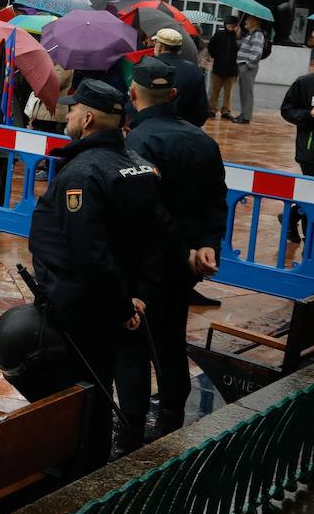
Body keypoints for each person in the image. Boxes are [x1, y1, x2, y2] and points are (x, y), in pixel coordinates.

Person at [27, 79, 166, 472]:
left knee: (85, 388)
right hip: (119, 299)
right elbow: (156, 239)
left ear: (87, 118)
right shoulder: (139, 166)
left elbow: (89, 251)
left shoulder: (83, 174)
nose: (67, 115)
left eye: (72, 110)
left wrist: (123, 303)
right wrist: (139, 296)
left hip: (85, 306)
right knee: (109, 376)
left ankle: (79, 466)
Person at [116, 58, 225, 454]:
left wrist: (182, 251)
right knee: (171, 339)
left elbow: (147, 212)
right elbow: (216, 200)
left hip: (151, 264)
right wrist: (206, 245)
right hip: (187, 265)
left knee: (136, 347)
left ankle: (132, 428)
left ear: (132, 95)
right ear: (174, 95)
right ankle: (172, 416)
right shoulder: (202, 139)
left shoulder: (136, 143)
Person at [279, 45, 314, 243]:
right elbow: (287, 110)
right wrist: (308, 115)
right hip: (312, 152)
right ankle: (310, 243)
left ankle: (291, 216)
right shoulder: (305, 83)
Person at [151, 28, 208, 127]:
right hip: (185, 126)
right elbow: (201, 107)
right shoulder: (194, 70)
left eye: (155, 42)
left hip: (152, 125)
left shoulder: (148, 66)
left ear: (159, 46)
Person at [232, 14, 267, 125]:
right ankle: (244, 114)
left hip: (247, 67)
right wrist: (238, 36)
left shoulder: (257, 35)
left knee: (247, 92)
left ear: (254, 21)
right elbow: (242, 46)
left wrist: (247, 65)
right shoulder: (250, 34)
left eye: (248, 19)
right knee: (244, 92)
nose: (246, 21)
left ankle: (246, 117)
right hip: (244, 66)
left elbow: (257, 53)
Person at [207, 17, 240, 119]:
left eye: (233, 24)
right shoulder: (219, 34)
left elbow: (241, 49)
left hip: (232, 69)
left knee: (228, 92)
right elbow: (210, 46)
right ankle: (212, 109)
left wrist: (238, 37)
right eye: (229, 24)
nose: (231, 26)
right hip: (218, 68)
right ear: (225, 24)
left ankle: (226, 110)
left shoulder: (238, 37)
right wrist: (216, 55)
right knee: (214, 90)